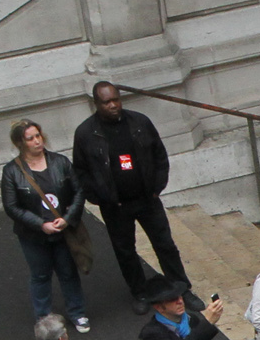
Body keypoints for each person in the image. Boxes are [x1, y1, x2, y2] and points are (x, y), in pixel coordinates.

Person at [70, 84, 187, 311]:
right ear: (96, 104)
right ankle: (140, 293)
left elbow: (159, 155)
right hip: (115, 206)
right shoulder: (85, 133)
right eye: (107, 102)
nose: (113, 105)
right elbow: (81, 171)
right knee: (125, 251)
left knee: (165, 244)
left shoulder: (139, 122)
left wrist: (157, 187)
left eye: (116, 99)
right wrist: (99, 197)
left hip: (147, 199)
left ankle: (180, 287)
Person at [1, 118, 89, 328]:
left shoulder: (60, 162)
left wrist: (67, 219)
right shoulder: (12, 171)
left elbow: (78, 192)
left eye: (38, 135)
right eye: (30, 138)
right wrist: (41, 224)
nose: (37, 141)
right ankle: (44, 319)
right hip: (33, 235)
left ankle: (77, 312)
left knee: (68, 272)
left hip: (62, 231)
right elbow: (11, 206)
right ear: (20, 143)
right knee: (40, 275)